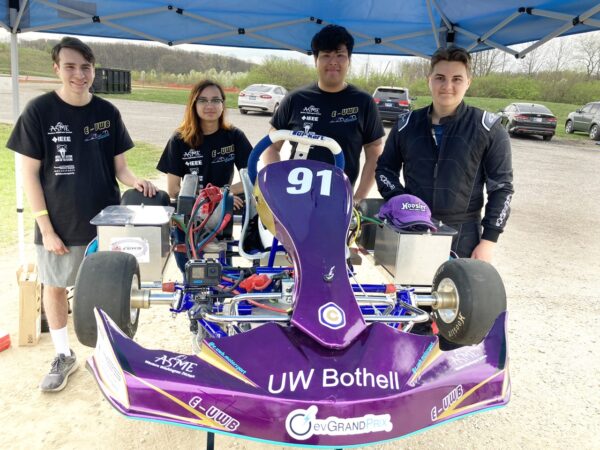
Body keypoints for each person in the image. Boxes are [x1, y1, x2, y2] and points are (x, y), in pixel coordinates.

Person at [6, 37, 157, 392]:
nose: (79, 74)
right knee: (55, 287)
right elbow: (28, 174)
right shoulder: (39, 111)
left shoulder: (107, 112)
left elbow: (121, 168)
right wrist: (46, 228)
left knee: (107, 290)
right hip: (58, 221)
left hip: (106, 223)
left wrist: (137, 180)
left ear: (94, 71)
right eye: (70, 66)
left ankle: (111, 354)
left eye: (85, 67)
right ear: (56, 68)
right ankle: (62, 354)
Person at [375, 46, 514, 262]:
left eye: (457, 79)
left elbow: (502, 188)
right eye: (440, 77)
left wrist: (489, 240)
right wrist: (400, 200)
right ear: (429, 79)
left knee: (459, 295)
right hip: (412, 226)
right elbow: (385, 170)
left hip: (464, 235)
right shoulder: (406, 124)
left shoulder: (488, 128)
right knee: (410, 294)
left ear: (468, 82)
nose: (447, 86)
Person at [263, 24, 385, 204]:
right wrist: (279, 181)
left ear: (349, 60)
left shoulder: (364, 102)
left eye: (340, 55)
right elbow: (271, 146)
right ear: (316, 60)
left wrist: (358, 197)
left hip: (339, 200)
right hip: (294, 198)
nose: (333, 62)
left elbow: (374, 152)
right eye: (326, 55)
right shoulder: (295, 99)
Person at [157, 79, 252, 209]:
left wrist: (222, 194)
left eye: (215, 100)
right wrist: (210, 198)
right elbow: (173, 189)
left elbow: (252, 178)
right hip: (192, 211)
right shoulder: (179, 139)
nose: (210, 106)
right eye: (202, 100)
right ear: (193, 105)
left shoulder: (235, 136)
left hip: (223, 210)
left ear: (223, 104)